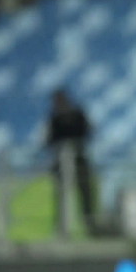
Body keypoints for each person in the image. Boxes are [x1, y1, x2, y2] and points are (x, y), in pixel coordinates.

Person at [47, 90, 97, 237]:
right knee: (61, 194)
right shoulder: (54, 119)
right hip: (61, 161)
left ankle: (89, 224)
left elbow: (88, 132)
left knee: (85, 192)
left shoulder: (78, 115)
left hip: (79, 158)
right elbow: (49, 140)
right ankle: (62, 226)